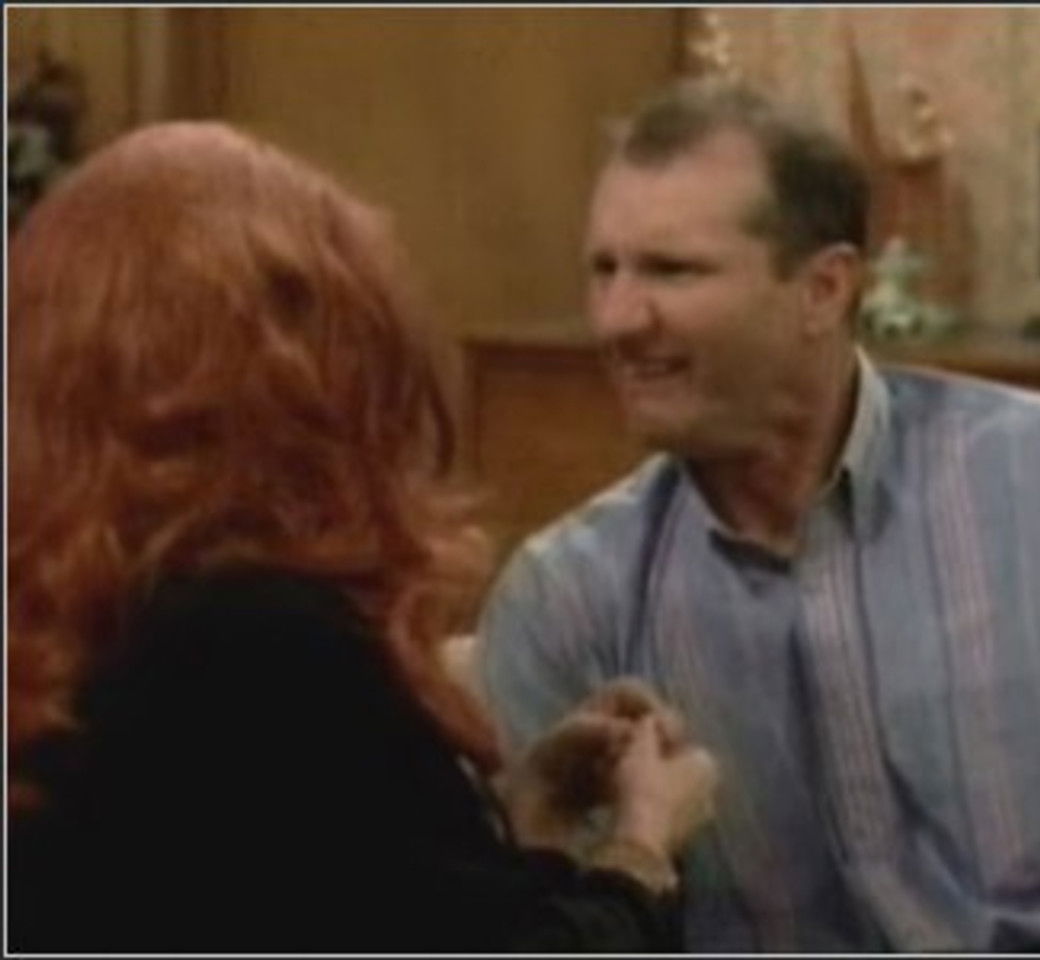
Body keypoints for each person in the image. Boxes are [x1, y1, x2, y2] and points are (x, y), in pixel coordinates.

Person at [477, 78, 1040, 952]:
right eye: (604, 270)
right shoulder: (567, 600)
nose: (618, 320)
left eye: (672, 270)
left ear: (824, 289)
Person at [6, 121, 718, 953]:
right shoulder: (253, 637)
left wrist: (528, 821)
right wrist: (642, 852)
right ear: (313, 375)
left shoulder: (84, 612)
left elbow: (344, 900)